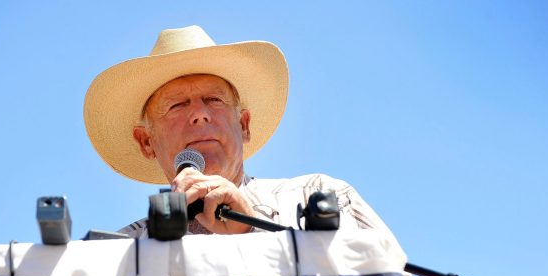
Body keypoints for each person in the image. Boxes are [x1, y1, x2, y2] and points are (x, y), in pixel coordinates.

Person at [84, 25, 400, 245]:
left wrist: (250, 225)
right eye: (178, 105)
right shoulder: (121, 250)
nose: (199, 113)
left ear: (244, 125)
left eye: (214, 100)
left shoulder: (320, 195)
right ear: (146, 142)